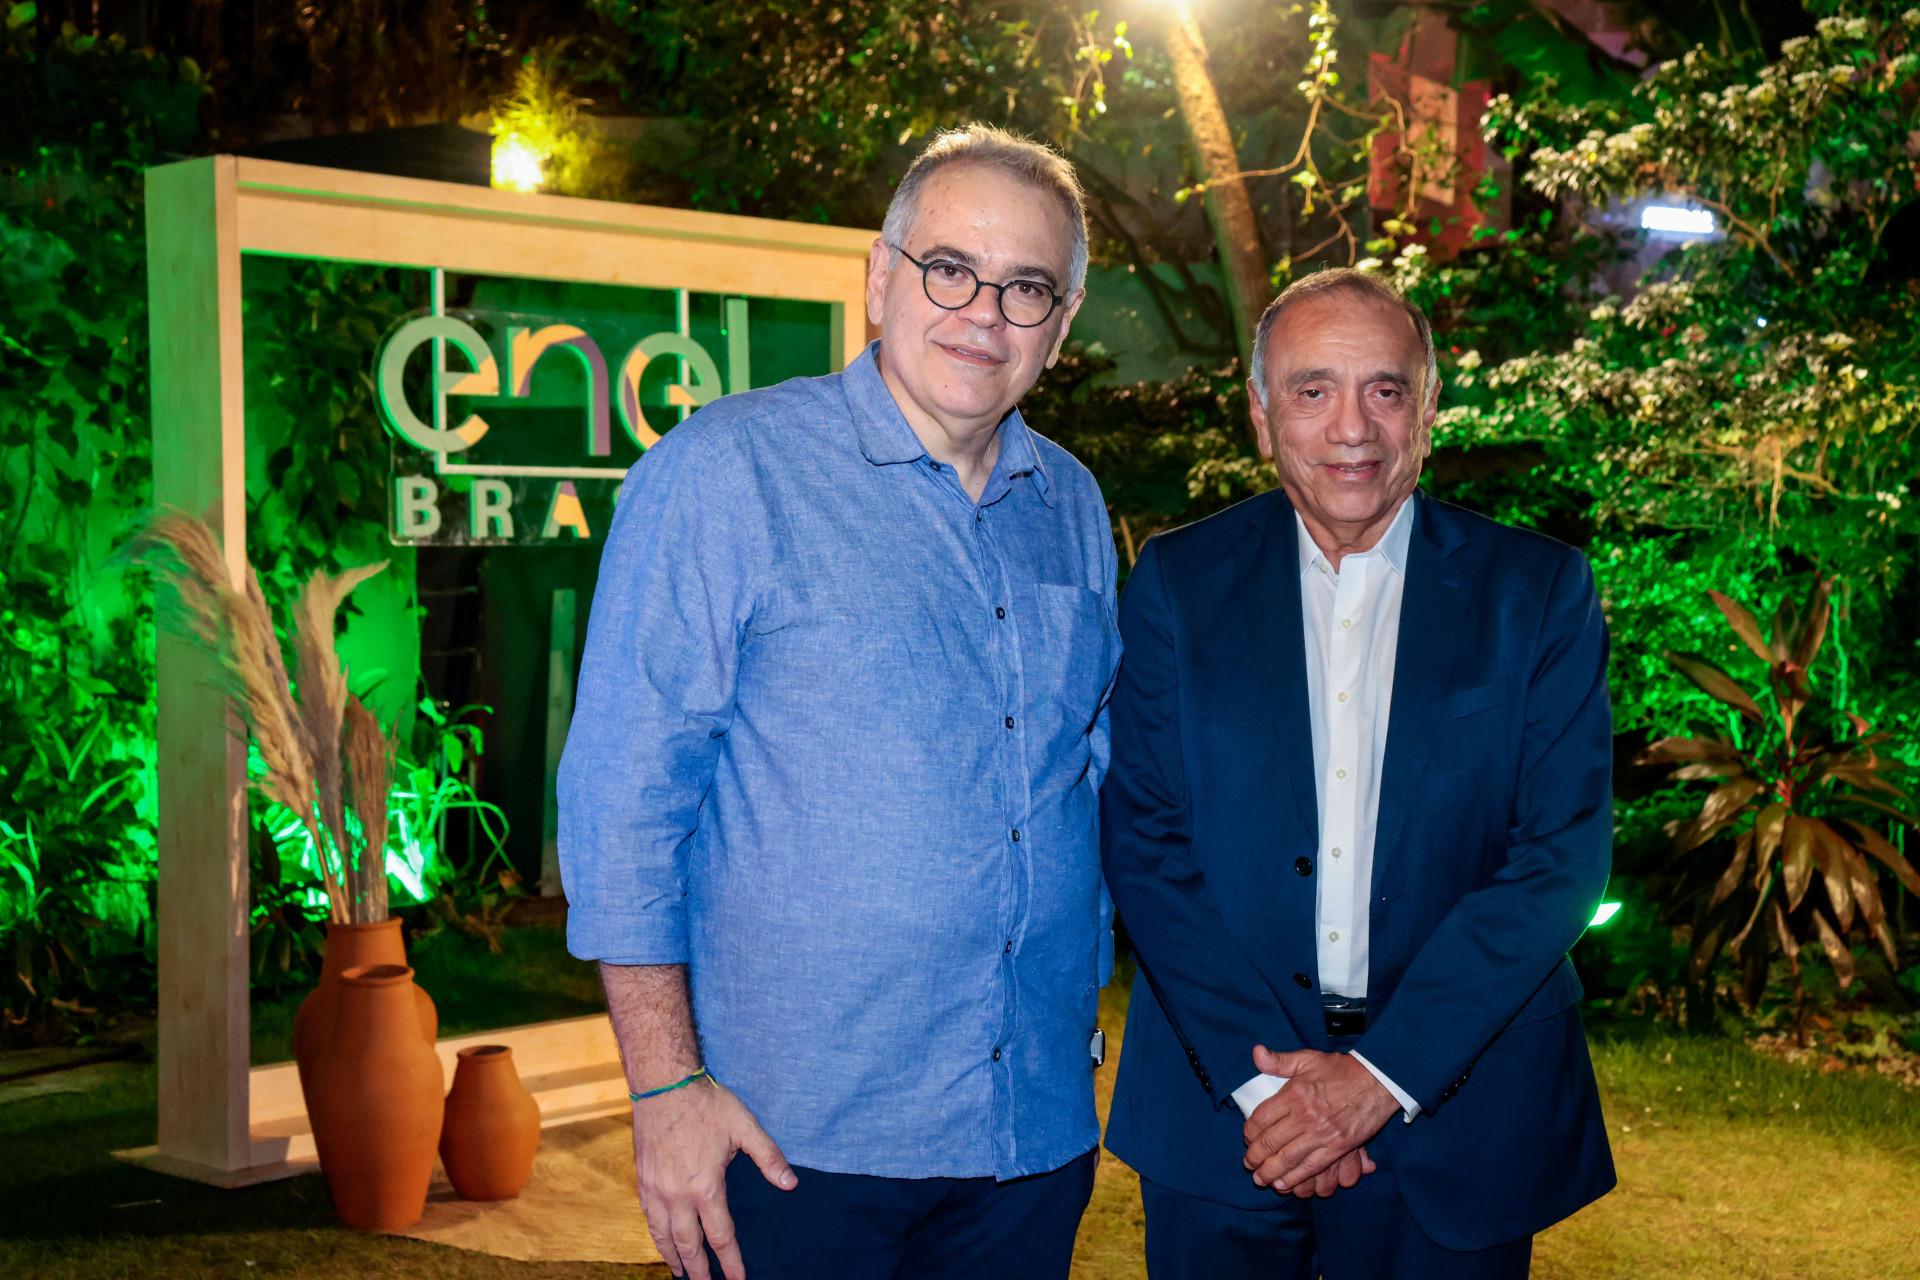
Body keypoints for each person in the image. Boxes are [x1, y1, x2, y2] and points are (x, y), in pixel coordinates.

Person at [557, 124, 1120, 1280]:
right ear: (879, 277)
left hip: (1030, 1131)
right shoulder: (727, 470)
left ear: (1061, 325)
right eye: (950, 268)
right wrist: (663, 1086)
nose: (983, 313)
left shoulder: (1069, 501)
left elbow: (1084, 776)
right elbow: (622, 802)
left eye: (1026, 288)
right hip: (790, 1144)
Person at [1100, 268, 1616, 1279]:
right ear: (1261, 416)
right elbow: (1144, 840)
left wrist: (1380, 1077)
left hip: (1458, 1107)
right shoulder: (1177, 582)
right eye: (1313, 389)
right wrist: (1277, 1096)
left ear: (1428, 410)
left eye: (1386, 390)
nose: (1353, 427)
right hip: (1226, 1108)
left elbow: (1560, 858)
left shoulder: (1538, 591)